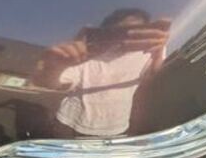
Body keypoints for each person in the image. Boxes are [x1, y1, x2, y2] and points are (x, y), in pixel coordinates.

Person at [34, 8, 171, 137]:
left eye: (135, 32)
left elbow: (155, 78)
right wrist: (54, 66)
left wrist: (158, 55)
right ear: (106, 31)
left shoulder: (149, 52)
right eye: (120, 31)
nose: (125, 37)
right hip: (70, 123)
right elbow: (52, 83)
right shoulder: (87, 53)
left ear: (146, 32)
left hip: (116, 128)